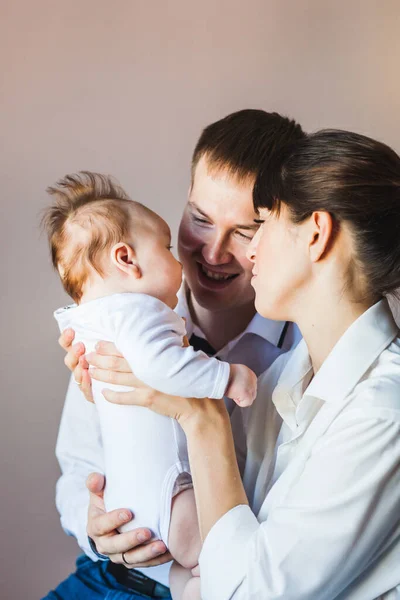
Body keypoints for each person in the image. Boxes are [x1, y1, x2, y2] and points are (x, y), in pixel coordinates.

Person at [103, 129, 400, 598]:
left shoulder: (384, 411)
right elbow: (209, 531)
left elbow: (243, 592)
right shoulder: (285, 379)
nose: (250, 250)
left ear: (316, 234)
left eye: (264, 224)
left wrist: (204, 419)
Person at [43, 109, 305, 600]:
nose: (211, 253)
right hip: (108, 572)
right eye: (200, 219)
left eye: (244, 231)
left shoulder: (301, 354)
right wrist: (97, 527)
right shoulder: (121, 318)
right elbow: (76, 467)